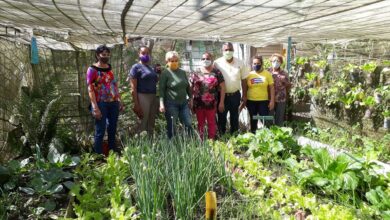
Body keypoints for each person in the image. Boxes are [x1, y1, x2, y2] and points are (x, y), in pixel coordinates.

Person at [87, 45, 123, 154]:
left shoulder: (109, 68)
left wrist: (119, 100)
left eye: (107, 55)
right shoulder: (92, 70)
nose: (106, 57)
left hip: (113, 103)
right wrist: (95, 107)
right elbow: (90, 89)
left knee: (112, 128)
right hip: (101, 103)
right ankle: (98, 155)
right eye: (103, 55)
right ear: (98, 55)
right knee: (100, 130)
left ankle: (112, 152)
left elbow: (114, 85)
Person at [214, 42, 248, 135]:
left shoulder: (240, 63)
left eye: (230, 49)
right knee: (222, 118)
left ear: (233, 50)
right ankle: (222, 138)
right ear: (222, 51)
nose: (228, 51)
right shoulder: (217, 63)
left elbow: (244, 80)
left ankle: (234, 139)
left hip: (235, 95)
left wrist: (244, 96)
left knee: (234, 118)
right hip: (222, 97)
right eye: (226, 50)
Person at [190, 52, 226, 140]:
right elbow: (190, 87)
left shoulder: (216, 72)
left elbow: (223, 87)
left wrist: (221, 102)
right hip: (198, 103)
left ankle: (211, 141)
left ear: (212, 60)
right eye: (203, 59)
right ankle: (200, 141)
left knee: (211, 122)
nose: (205, 60)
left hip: (212, 103)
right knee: (200, 123)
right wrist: (190, 101)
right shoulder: (196, 72)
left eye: (208, 58)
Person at [159, 51, 193, 139]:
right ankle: (172, 145)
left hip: (184, 103)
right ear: (167, 61)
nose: (174, 62)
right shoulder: (165, 73)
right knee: (172, 126)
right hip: (171, 104)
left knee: (188, 123)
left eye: (175, 60)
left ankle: (190, 142)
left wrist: (191, 99)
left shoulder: (182, 72)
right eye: (171, 60)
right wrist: (161, 104)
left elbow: (188, 86)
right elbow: (161, 90)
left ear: (178, 61)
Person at [129, 46, 158, 136]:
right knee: (142, 122)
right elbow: (133, 87)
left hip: (153, 96)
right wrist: (136, 104)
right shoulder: (136, 67)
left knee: (151, 122)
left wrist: (158, 73)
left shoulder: (151, 68)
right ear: (139, 54)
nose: (146, 55)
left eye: (147, 53)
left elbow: (154, 81)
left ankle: (150, 145)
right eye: (143, 53)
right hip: (142, 96)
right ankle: (139, 145)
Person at [242, 55, 275, 133]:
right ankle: (253, 134)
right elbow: (245, 88)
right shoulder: (249, 75)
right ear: (252, 64)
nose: (256, 65)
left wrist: (272, 101)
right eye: (254, 63)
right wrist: (244, 99)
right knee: (253, 120)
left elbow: (271, 88)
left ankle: (266, 135)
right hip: (251, 101)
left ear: (261, 64)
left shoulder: (267, 74)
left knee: (265, 119)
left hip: (263, 101)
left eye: (258, 63)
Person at [268, 53, 291, 126]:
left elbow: (288, 85)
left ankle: (278, 134)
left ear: (281, 62)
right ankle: (269, 133)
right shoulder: (267, 72)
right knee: (269, 118)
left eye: (278, 61)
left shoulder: (284, 73)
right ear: (271, 61)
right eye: (274, 60)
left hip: (281, 99)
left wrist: (285, 94)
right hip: (269, 99)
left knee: (279, 118)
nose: (276, 62)